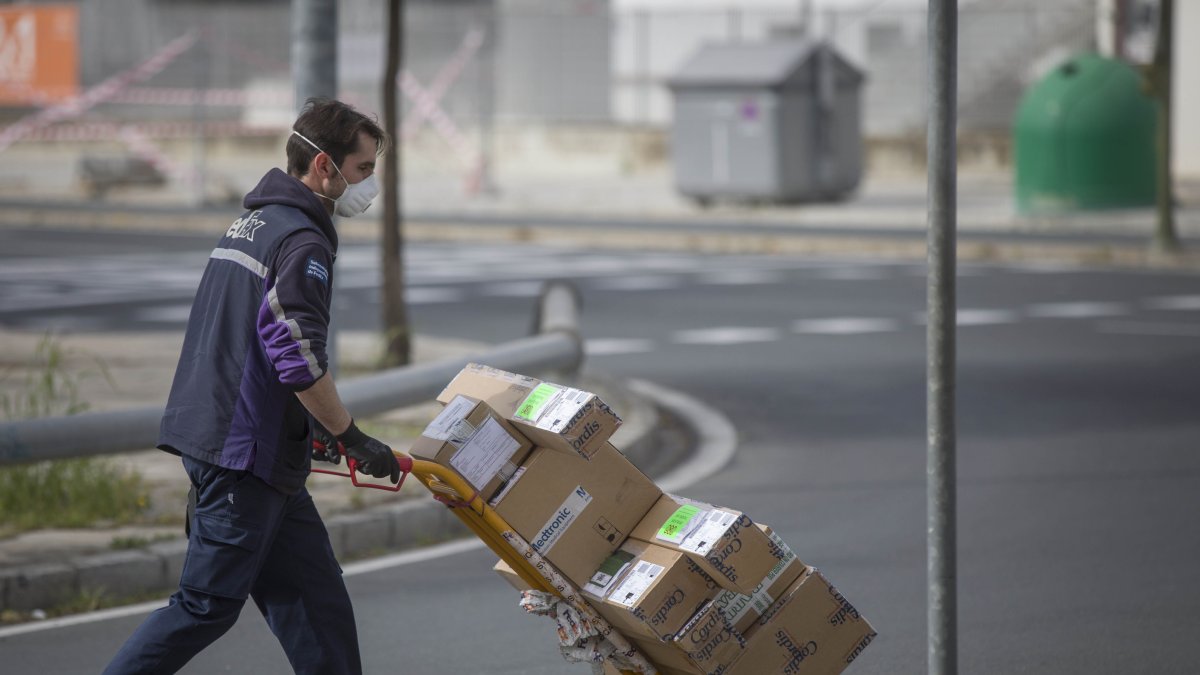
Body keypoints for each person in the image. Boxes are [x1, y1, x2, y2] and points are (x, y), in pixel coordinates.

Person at [104, 98, 398, 675]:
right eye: (362, 169)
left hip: (256, 451)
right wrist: (349, 433)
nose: (369, 183)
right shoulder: (303, 241)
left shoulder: (255, 222)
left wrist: (309, 424)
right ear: (324, 167)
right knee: (205, 607)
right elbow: (295, 352)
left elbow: (248, 336)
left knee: (318, 607)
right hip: (241, 454)